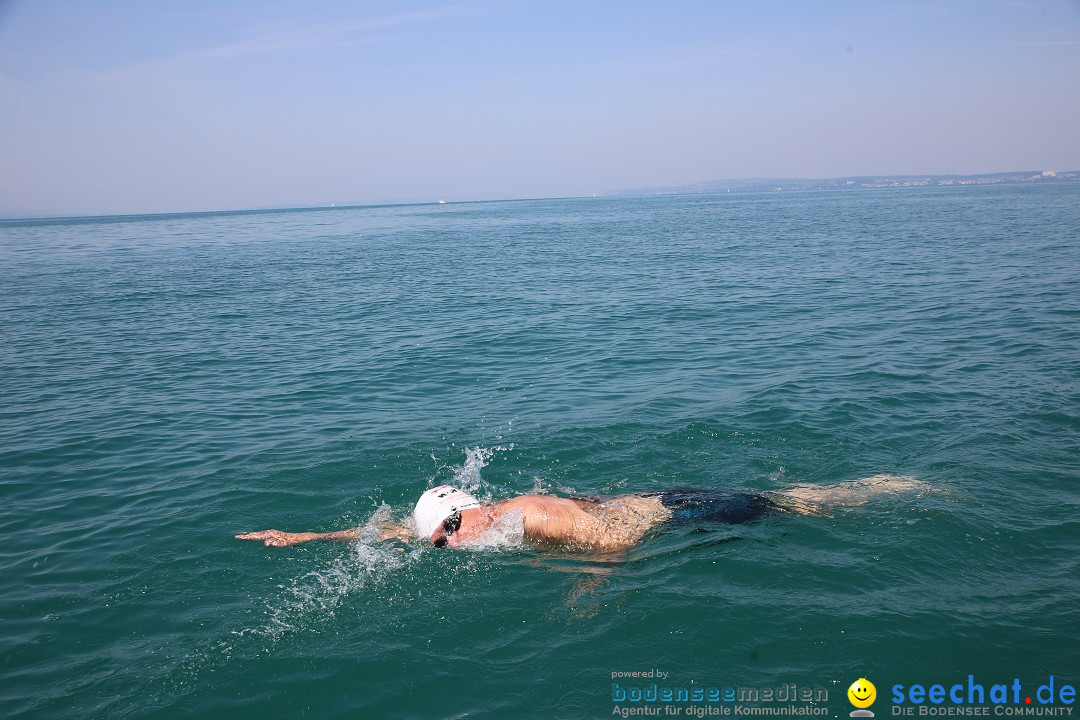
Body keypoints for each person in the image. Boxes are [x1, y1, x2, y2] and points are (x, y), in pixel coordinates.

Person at [235, 475, 920, 553]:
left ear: (454, 522)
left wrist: (588, 587)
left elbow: (608, 544)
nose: (437, 550)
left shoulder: (529, 516)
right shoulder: (471, 520)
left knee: (791, 510)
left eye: (438, 542)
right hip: (647, 499)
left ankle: (885, 492)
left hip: (671, 516)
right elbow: (384, 532)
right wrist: (299, 535)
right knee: (785, 498)